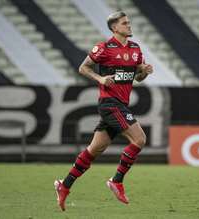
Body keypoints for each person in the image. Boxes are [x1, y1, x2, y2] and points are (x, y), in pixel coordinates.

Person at [54, 11, 153, 211]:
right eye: (125, 23)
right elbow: (83, 68)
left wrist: (145, 72)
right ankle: (116, 181)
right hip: (110, 103)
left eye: (129, 22)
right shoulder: (104, 48)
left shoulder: (135, 49)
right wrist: (100, 79)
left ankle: (64, 185)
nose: (129, 26)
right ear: (114, 28)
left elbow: (137, 78)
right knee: (139, 139)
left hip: (121, 104)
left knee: (94, 150)